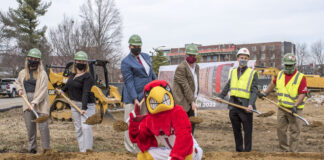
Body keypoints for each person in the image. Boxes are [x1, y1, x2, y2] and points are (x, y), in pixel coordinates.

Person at [128, 80, 203, 160]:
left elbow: (184, 138)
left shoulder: (178, 112)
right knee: (144, 156)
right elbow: (140, 140)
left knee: (186, 155)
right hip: (170, 150)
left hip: (189, 150)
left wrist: (175, 157)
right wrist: (135, 123)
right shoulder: (149, 119)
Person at [258, 53, 307, 152]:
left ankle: (293, 152)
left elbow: (302, 93)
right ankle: (284, 150)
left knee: (294, 131)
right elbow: (273, 83)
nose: (288, 67)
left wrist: (295, 105)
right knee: (281, 130)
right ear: (284, 65)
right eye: (287, 65)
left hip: (295, 109)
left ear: (294, 65)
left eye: (290, 65)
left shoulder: (300, 77)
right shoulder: (280, 74)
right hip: (282, 108)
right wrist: (265, 93)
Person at [215, 48, 258, 152]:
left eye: (245, 58)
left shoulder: (252, 73)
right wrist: (221, 96)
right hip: (233, 105)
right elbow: (228, 85)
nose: (243, 59)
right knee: (236, 130)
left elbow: (254, 91)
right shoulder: (233, 72)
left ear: (248, 59)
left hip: (246, 106)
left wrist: (251, 104)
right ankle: (239, 151)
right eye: (241, 57)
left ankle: (247, 152)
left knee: (247, 131)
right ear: (237, 58)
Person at [121, 34, 156, 153]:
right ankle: (131, 149)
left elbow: (151, 74)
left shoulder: (146, 57)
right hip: (132, 98)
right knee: (131, 124)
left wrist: (156, 84)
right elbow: (129, 81)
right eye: (134, 46)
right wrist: (135, 99)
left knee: (145, 123)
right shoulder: (126, 62)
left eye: (139, 46)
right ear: (129, 46)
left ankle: (143, 147)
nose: (137, 48)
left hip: (146, 96)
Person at [57, 51, 96, 152]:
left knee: (86, 127)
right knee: (78, 129)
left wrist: (83, 108)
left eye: (83, 61)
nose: (81, 63)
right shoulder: (72, 74)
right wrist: (62, 90)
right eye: (79, 61)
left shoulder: (88, 76)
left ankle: (88, 151)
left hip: (87, 105)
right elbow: (69, 85)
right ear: (75, 62)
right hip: (74, 104)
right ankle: (82, 151)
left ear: (86, 63)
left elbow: (85, 93)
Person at [14, 48, 50, 154]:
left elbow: (43, 90)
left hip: (41, 102)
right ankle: (32, 149)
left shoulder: (43, 74)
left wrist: (35, 102)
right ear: (27, 59)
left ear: (39, 61)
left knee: (43, 127)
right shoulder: (22, 73)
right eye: (31, 58)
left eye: (35, 58)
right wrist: (19, 89)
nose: (32, 60)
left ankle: (46, 150)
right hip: (27, 102)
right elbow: (17, 82)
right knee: (30, 128)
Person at [172, 43, 200, 135]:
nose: (192, 57)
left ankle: (190, 146)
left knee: (191, 128)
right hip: (182, 102)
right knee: (182, 128)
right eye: (190, 55)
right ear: (186, 55)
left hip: (192, 101)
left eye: (193, 55)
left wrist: (194, 99)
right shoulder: (181, 68)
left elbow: (194, 83)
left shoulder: (197, 67)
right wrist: (192, 101)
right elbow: (185, 86)